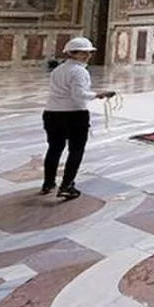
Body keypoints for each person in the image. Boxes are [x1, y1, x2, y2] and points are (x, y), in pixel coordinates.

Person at [42, 37, 114, 200]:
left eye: (89, 53)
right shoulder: (79, 71)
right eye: (84, 53)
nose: (88, 56)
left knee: (54, 148)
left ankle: (48, 183)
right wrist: (98, 94)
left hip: (52, 113)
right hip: (73, 114)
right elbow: (79, 95)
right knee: (76, 150)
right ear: (73, 54)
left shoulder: (58, 70)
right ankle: (67, 185)